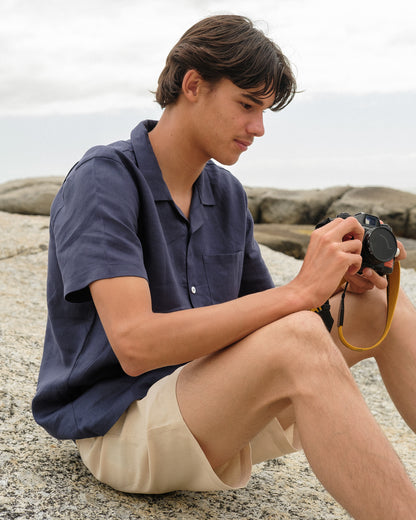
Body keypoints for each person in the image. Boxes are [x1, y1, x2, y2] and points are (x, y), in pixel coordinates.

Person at [32, 14, 416, 519]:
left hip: (210, 406)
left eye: (264, 111)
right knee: (299, 332)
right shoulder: (104, 180)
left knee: (377, 303)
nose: (258, 128)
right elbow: (136, 345)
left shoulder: (225, 193)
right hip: (123, 430)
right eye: (246, 105)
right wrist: (300, 293)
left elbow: (267, 323)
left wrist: (329, 284)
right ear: (193, 85)